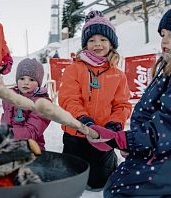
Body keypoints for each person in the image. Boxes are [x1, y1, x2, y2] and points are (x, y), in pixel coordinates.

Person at [86, 0, 171, 197]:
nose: (164, 40)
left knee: (120, 192)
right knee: (115, 186)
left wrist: (125, 140)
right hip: (158, 150)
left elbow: (169, 127)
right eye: (163, 34)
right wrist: (129, 144)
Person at [58, 10, 132, 191]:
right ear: (85, 44)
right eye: (91, 40)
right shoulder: (74, 69)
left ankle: (109, 161)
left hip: (102, 136)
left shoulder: (118, 74)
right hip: (76, 133)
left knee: (98, 183)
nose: (97, 44)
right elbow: (69, 98)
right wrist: (83, 119)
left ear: (111, 43)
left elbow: (122, 105)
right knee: (71, 180)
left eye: (103, 40)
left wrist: (114, 124)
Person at [0, 58, 51, 151]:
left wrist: (7, 134)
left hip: (31, 151)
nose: (26, 82)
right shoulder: (10, 99)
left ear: (38, 83)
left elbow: (31, 132)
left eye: (31, 79)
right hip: (10, 148)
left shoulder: (41, 104)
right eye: (22, 78)